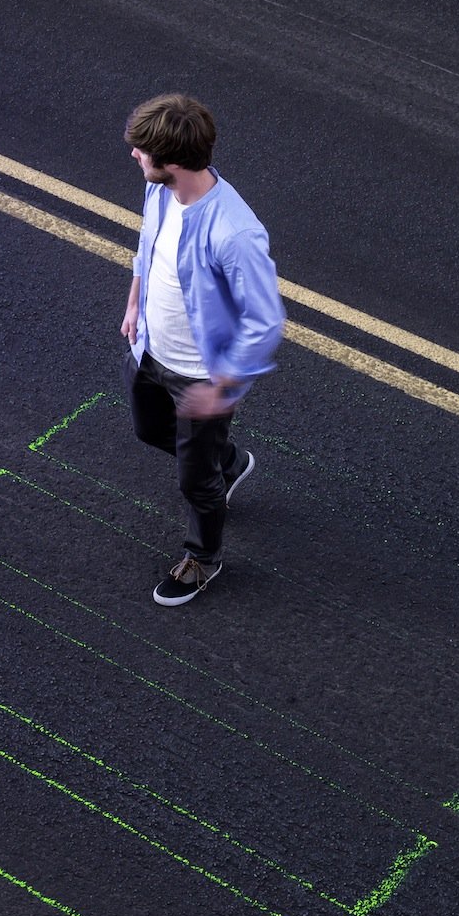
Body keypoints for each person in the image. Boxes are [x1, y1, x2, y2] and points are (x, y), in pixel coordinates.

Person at [117, 93, 283, 606]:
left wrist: (222, 388)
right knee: (149, 430)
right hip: (149, 349)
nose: (134, 158)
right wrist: (135, 299)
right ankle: (227, 463)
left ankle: (202, 560)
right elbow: (150, 243)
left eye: (142, 152)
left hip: (200, 377)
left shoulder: (234, 232)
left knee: (197, 484)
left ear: (170, 162)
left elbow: (265, 320)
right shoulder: (162, 192)